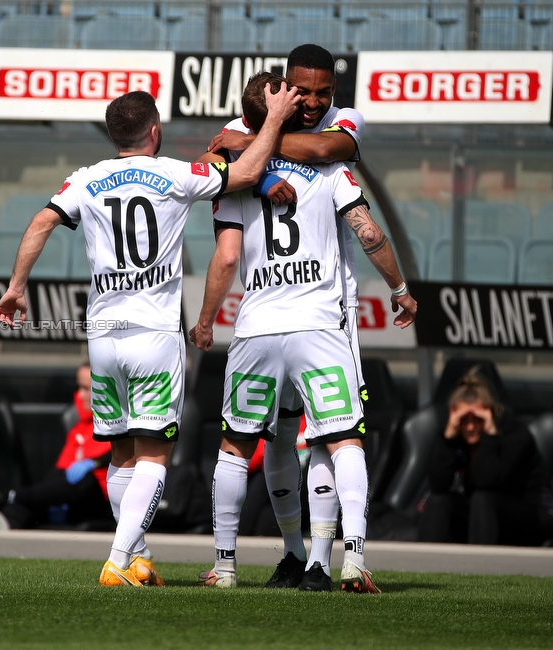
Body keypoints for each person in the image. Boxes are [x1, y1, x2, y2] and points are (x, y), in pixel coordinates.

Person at [0, 86, 300, 587]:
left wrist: (16, 288)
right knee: (156, 453)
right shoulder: (175, 173)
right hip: (155, 333)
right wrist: (275, 120)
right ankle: (118, 560)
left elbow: (40, 221)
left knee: (120, 452)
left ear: (115, 134)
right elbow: (244, 174)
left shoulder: (86, 179)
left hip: (104, 336)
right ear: (154, 132)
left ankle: (137, 557)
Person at [189, 71, 417, 593]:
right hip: (320, 324)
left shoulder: (235, 174)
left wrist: (204, 322)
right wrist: (400, 288)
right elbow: (370, 232)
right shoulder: (332, 168)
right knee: (341, 440)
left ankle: (225, 567)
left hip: (257, 327)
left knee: (238, 445)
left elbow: (226, 257)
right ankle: (352, 560)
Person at [203, 43, 370, 591]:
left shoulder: (338, 125)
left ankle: (317, 560)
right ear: (284, 86)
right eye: (303, 91)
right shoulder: (247, 130)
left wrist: (253, 145)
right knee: (289, 439)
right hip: (308, 316)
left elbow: (328, 149)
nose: (315, 101)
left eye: (324, 92)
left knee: (304, 439)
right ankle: (301, 556)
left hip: (311, 313)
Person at [418, 368, 548, 546]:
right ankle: (423, 566)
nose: (470, 427)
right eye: (464, 420)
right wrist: (447, 438)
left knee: (483, 498)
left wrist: (489, 435)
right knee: (438, 501)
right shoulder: (457, 435)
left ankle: (480, 568)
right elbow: (438, 484)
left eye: (477, 419)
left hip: (527, 516)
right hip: (483, 516)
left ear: (490, 414)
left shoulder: (515, 434)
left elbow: (487, 481)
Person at [0, 363, 114, 529]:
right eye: (80, 387)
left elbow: (127, 454)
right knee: (24, 506)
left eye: (87, 389)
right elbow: (61, 471)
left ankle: (9, 495)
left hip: (104, 501)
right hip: (73, 499)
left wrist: (94, 463)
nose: (80, 395)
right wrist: (48, 494)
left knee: (85, 480)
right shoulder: (79, 429)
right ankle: (2, 535)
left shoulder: (119, 424)